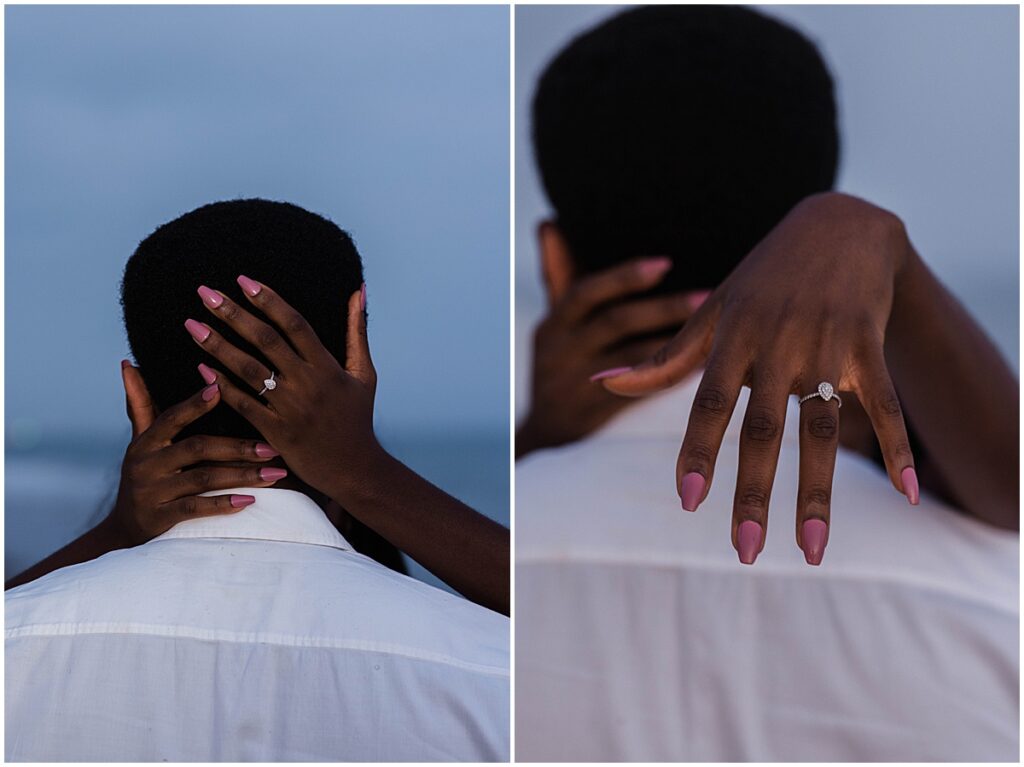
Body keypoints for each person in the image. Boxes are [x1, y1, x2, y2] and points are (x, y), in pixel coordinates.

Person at [516, 6, 1017, 761]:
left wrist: (530, 453)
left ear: (553, 259)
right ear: (821, 262)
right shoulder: (996, 590)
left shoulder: (488, 573)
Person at [6, 199, 509, 761]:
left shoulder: (17, 644)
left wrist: (115, 535)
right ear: (355, 367)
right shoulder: (494, 669)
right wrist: (367, 475)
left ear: (138, 393)